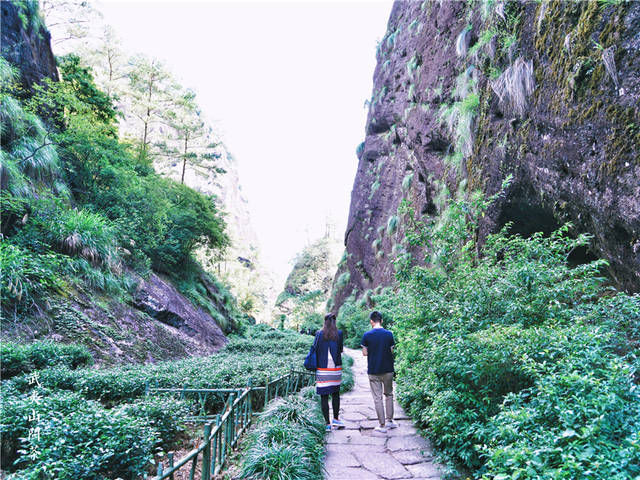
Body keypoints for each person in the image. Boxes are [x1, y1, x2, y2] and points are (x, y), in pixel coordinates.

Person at [362, 310, 397, 433]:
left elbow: (365, 353)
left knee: (377, 398)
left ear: (371, 321)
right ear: (381, 321)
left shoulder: (367, 335)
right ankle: (390, 421)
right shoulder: (389, 334)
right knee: (389, 394)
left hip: (373, 370)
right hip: (388, 369)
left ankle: (382, 425)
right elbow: (391, 350)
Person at [314, 313, 345, 431]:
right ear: (334, 322)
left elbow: (315, 349)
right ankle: (336, 419)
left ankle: (327, 424)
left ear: (325, 322)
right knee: (336, 394)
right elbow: (341, 349)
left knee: (324, 396)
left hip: (322, 369)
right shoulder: (339, 334)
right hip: (335, 369)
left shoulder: (319, 334)